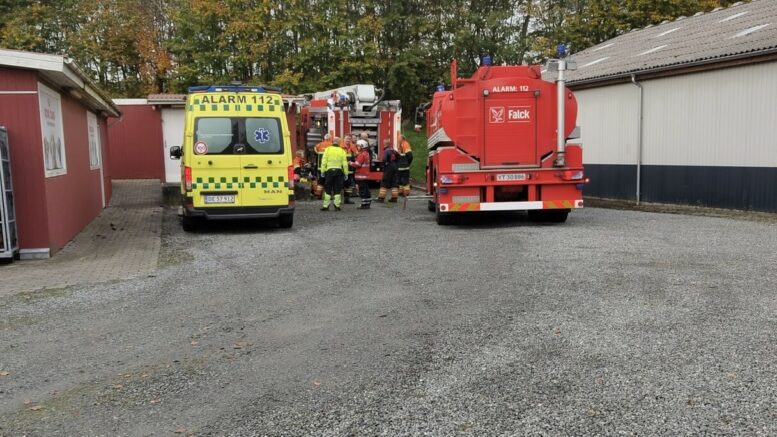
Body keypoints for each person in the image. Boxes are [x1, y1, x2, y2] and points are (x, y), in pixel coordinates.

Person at [320, 138, 349, 211]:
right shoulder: (342, 150)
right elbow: (345, 163)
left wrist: (322, 171)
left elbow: (324, 161)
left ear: (332, 142)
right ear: (339, 143)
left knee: (328, 188)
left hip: (329, 171)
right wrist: (346, 173)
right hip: (338, 171)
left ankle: (326, 206)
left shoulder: (328, 149)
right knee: (337, 189)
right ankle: (337, 206)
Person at [350, 139, 372, 209]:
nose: (357, 147)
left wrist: (350, 163)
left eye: (358, 146)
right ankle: (367, 203)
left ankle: (364, 205)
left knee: (362, 190)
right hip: (365, 175)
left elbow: (357, 164)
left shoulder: (362, 154)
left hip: (361, 176)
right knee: (366, 190)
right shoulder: (367, 153)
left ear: (362, 146)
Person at [376, 138, 399, 203]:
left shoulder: (386, 151)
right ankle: (394, 198)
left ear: (384, 144)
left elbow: (384, 159)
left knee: (384, 182)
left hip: (388, 168)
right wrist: (396, 164)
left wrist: (383, 165)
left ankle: (381, 198)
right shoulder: (393, 150)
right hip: (394, 167)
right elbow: (398, 156)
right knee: (394, 183)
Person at [313, 134, 333, 198]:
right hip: (330, 167)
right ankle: (328, 195)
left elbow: (315, 152)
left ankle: (318, 195)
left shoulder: (319, 145)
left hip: (320, 167)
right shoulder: (332, 145)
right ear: (330, 138)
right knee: (329, 181)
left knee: (320, 181)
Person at [341, 136, 357, 204]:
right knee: (339, 184)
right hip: (341, 169)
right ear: (343, 139)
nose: (348, 140)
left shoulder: (352, 146)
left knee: (348, 185)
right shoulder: (340, 146)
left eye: (349, 139)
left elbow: (356, 154)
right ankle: (337, 199)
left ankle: (347, 199)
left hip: (350, 169)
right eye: (347, 139)